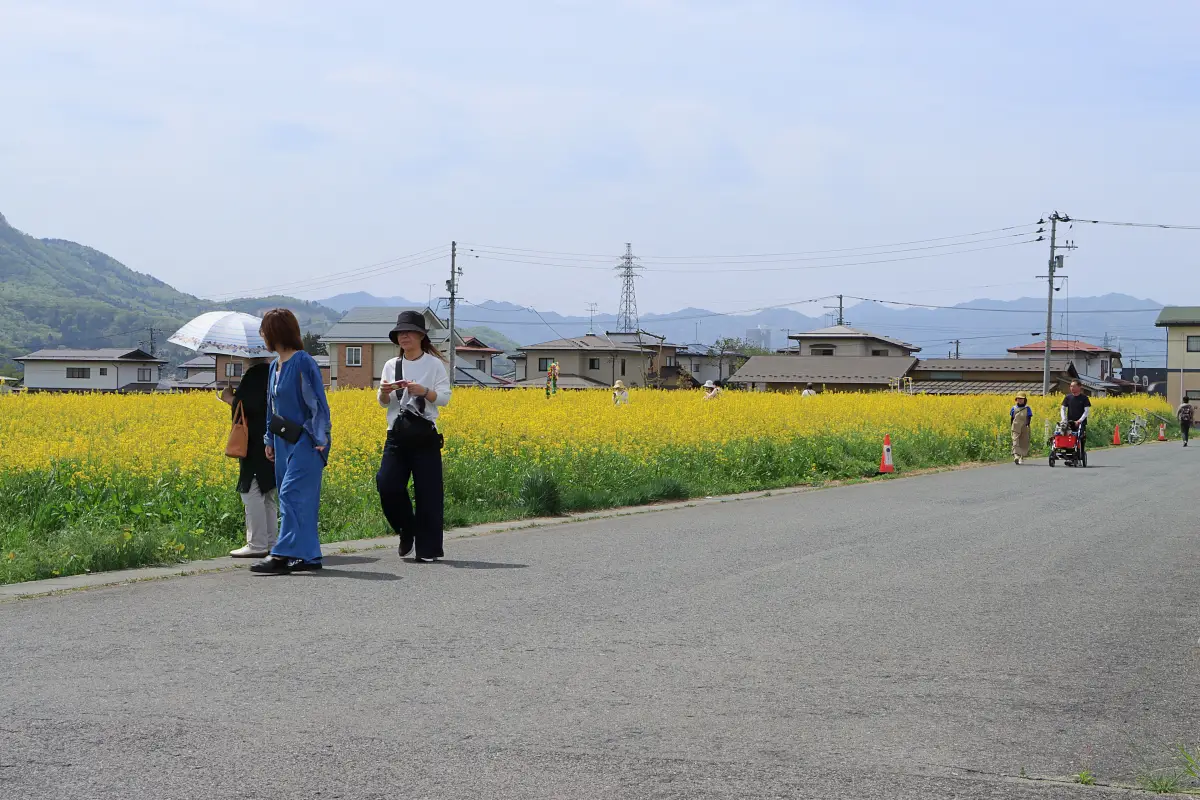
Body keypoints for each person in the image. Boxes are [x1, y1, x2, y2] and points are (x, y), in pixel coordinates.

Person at [251, 309, 331, 574]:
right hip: (283, 441)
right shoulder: (275, 366)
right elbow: (271, 407)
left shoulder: (303, 361)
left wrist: (320, 437)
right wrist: (269, 438)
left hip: (307, 441)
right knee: (299, 501)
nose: (262, 335)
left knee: (290, 494)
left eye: (264, 330)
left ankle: (282, 554)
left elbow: (318, 403)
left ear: (276, 332)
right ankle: (310, 556)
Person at [376, 310, 452, 563]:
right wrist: (385, 392)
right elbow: (383, 403)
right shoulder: (391, 365)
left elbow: (444, 398)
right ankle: (406, 529)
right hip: (396, 436)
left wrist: (424, 391)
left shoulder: (433, 365)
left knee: (428, 493)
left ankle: (428, 549)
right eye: (400, 332)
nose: (404, 336)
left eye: (409, 332)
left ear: (421, 336)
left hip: (424, 437)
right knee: (386, 484)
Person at [221, 357, 277, 557]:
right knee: (268, 492)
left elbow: (249, 406)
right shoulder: (272, 371)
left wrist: (229, 397)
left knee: (251, 489)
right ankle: (271, 542)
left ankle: (257, 543)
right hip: (270, 440)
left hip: (253, 442)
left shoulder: (255, 374)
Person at [1060, 379, 1090, 457]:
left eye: (1074, 386)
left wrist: (1079, 421)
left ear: (1079, 387)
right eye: (1071, 386)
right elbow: (1063, 408)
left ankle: (1081, 453)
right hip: (1070, 422)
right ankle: (1068, 453)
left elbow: (1086, 411)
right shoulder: (1068, 397)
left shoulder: (1084, 398)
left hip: (1080, 422)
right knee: (1067, 436)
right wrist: (1063, 419)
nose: (1072, 388)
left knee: (1081, 437)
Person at [1010, 391, 1033, 465]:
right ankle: (1016, 455)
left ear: (1024, 400)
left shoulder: (1027, 408)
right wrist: (1011, 426)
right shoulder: (1013, 408)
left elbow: (1029, 417)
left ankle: (1021, 456)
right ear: (1016, 399)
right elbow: (1012, 418)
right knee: (1015, 440)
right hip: (1016, 426)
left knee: (1023, 442)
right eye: (1018, 398)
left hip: (1024, 426)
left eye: (1021, 399)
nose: (1020, 400)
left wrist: (1027, 424)